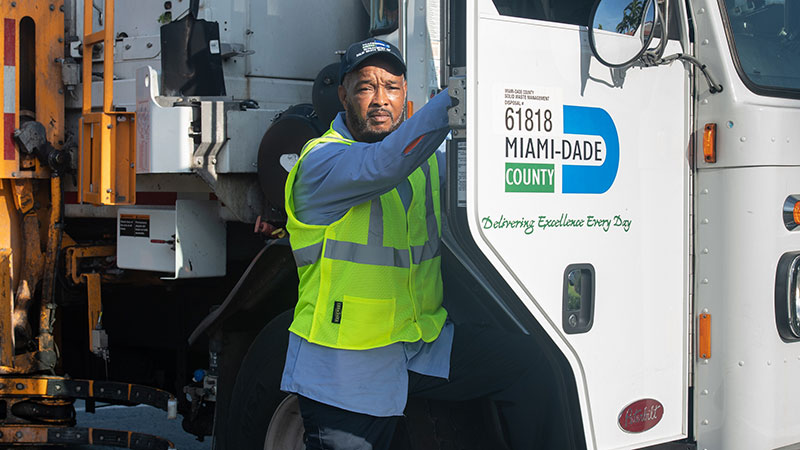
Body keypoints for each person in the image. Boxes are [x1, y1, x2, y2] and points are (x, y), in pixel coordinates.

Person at [281, 38, 569, 450]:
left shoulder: (426, 161)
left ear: (406, 96)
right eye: (366, 87)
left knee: (527, 364)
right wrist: (458, 94)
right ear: (343, 95)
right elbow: (383, 165)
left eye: (392, 87)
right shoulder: (322, 161)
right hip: (347, 369)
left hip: (420, 348)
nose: (380, 100)